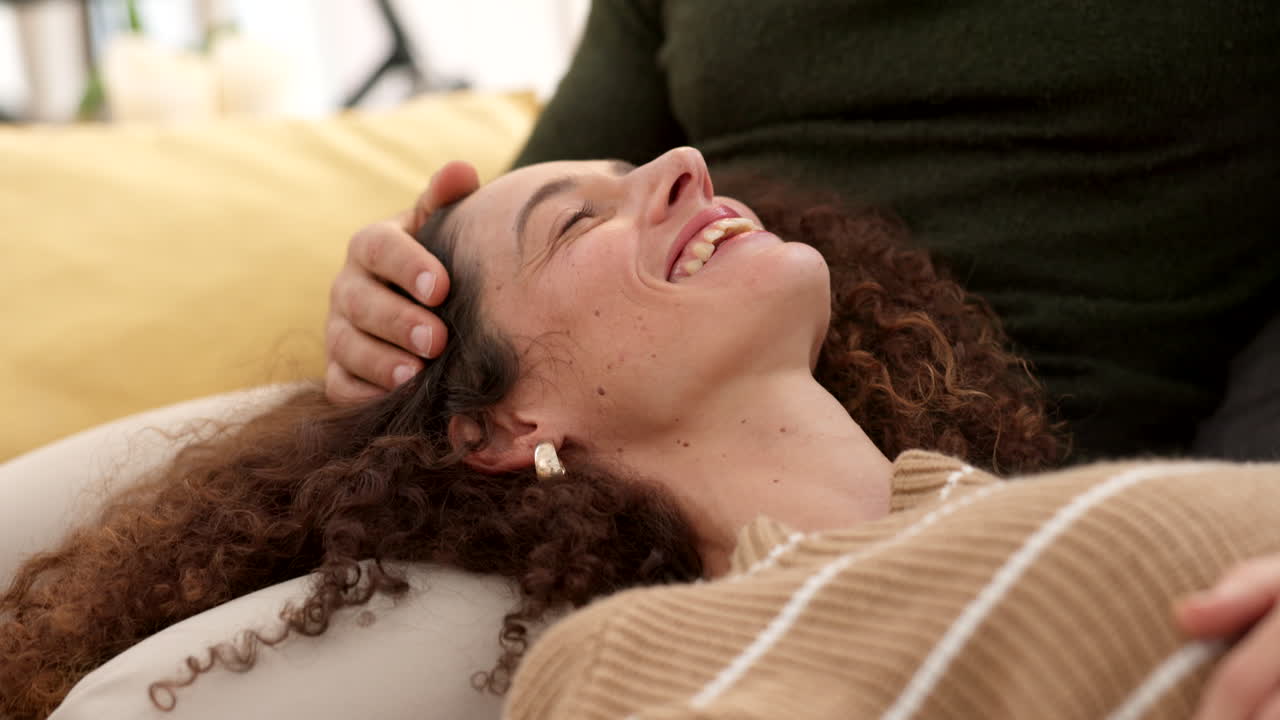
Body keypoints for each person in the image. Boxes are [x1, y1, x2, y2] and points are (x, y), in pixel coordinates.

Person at [1, 150, 1275, 719]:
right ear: (507, 426)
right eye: (577, 217)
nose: (686, 160)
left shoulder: (1009, 506)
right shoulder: (628, 671)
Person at [325, 0, 1280, 462]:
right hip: (620, 483)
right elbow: (516, 269)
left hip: (1074, 484)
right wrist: (406, 316)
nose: (687, 164)